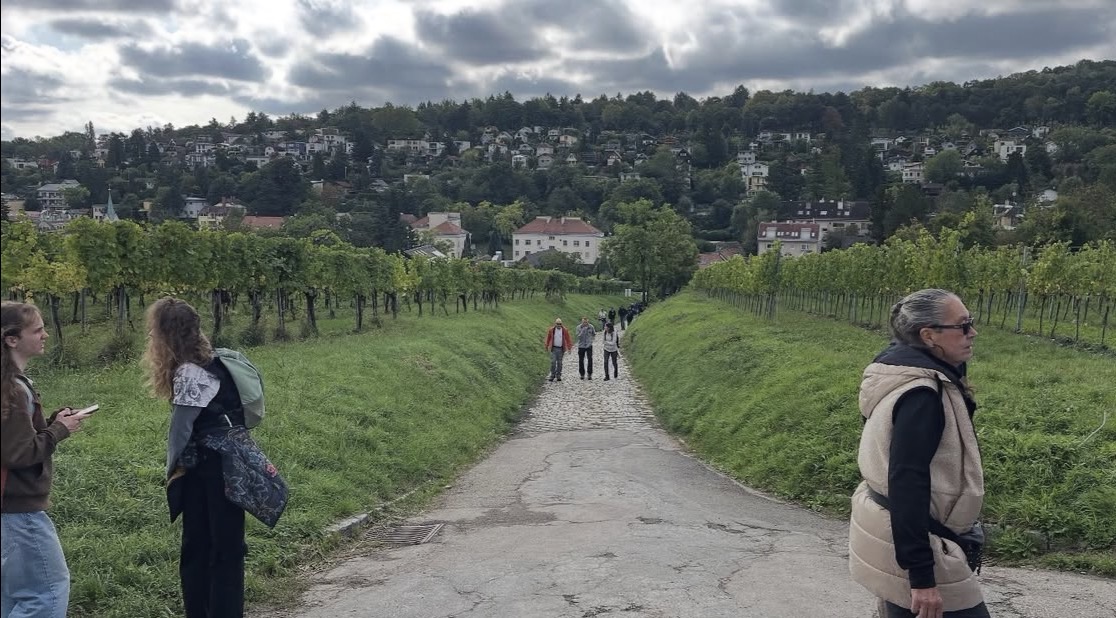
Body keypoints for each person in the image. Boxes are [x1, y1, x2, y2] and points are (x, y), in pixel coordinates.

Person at [849, 289, 988, 618]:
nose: (972, 332)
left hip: (898, 532)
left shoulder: (899, 371)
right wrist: (922, 577)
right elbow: (906, 482)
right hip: (923, 543)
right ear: (929, 336)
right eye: (962, 325)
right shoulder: (922, 395)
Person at [143, 298, 248, 618]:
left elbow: (181, 430)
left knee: (199, 549)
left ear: (168, 335)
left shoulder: (189, 373)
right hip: (230, 464)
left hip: (207, 470)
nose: (151, 336)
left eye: (154, 330)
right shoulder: (214, 361)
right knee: (226, 547)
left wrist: (171, 471)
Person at [1, 301, 91, 618]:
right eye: (37, 330)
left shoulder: (10, 384)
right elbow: (18, 453)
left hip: (7, 509)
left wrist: (52, 424)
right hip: (18, 509)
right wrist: (58, 431)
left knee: (12, 597)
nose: (45, 335)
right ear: (12, 339)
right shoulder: (13, 390)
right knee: (46, 594)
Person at [544, 318, 573, 382]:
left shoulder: (564, 330)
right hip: (554, 348)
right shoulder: (552, 330)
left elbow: (568, 339)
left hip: (561, 349)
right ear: (555, 324)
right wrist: (546, 345)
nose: (559, 325)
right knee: (553, 362)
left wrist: (569, 348)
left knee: (559, 362)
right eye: (557, 324)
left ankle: (558, 375)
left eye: (560, 324)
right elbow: (548, 338)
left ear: (561, 324)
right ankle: (552, 375)